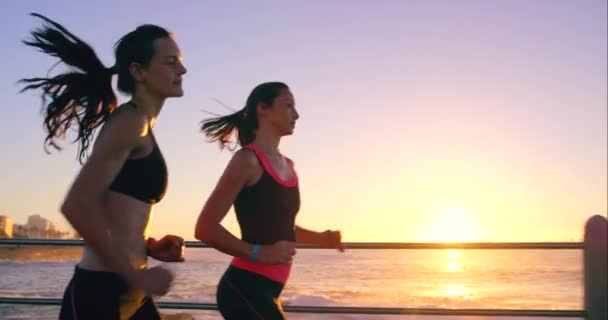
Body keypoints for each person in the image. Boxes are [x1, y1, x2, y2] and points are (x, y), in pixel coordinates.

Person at [20, 13, 187, 319]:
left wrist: (148, 246)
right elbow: (76, 205)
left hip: (133, 292)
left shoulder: (141, 124)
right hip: (100, 295)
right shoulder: (130, 121)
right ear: (139, 71)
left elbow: (116, 211)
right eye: (171, 61)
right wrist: (136, 274)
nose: (183, 69)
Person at [195, 82, 344, 319]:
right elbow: (205, 228)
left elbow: (280, 227)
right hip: (244, 288)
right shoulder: (247, 161)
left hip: (270, 290)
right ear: (262, 108)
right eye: (288, 105)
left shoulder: (289, 166)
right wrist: (258, 253)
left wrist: (321, 238)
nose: (296, 114)